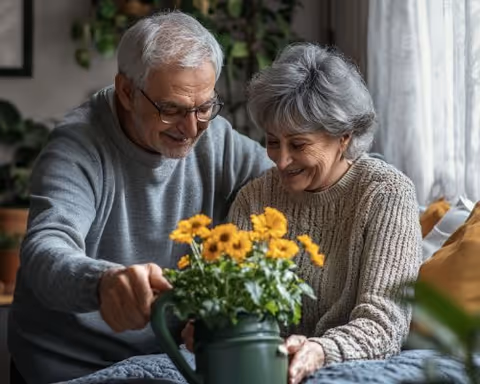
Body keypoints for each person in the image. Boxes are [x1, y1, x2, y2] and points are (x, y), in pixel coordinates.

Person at [8, 11, 272, 384]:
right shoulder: (78, 145)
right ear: (127, 91)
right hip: (68, 367)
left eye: (204, 107)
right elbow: (45, 249)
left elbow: (295, 184)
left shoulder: (216, 138)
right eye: (171, 110)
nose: (192, 128)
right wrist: (103, 284)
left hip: (167, 364)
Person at [226, 43, 422, 384]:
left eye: (298, 145)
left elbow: (384, 322)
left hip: (348, 366)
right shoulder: (254, 197)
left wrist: (319, 350)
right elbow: (232, 306)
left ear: (343, 137)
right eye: (273, 142)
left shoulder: (386, 194)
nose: (281, 160)